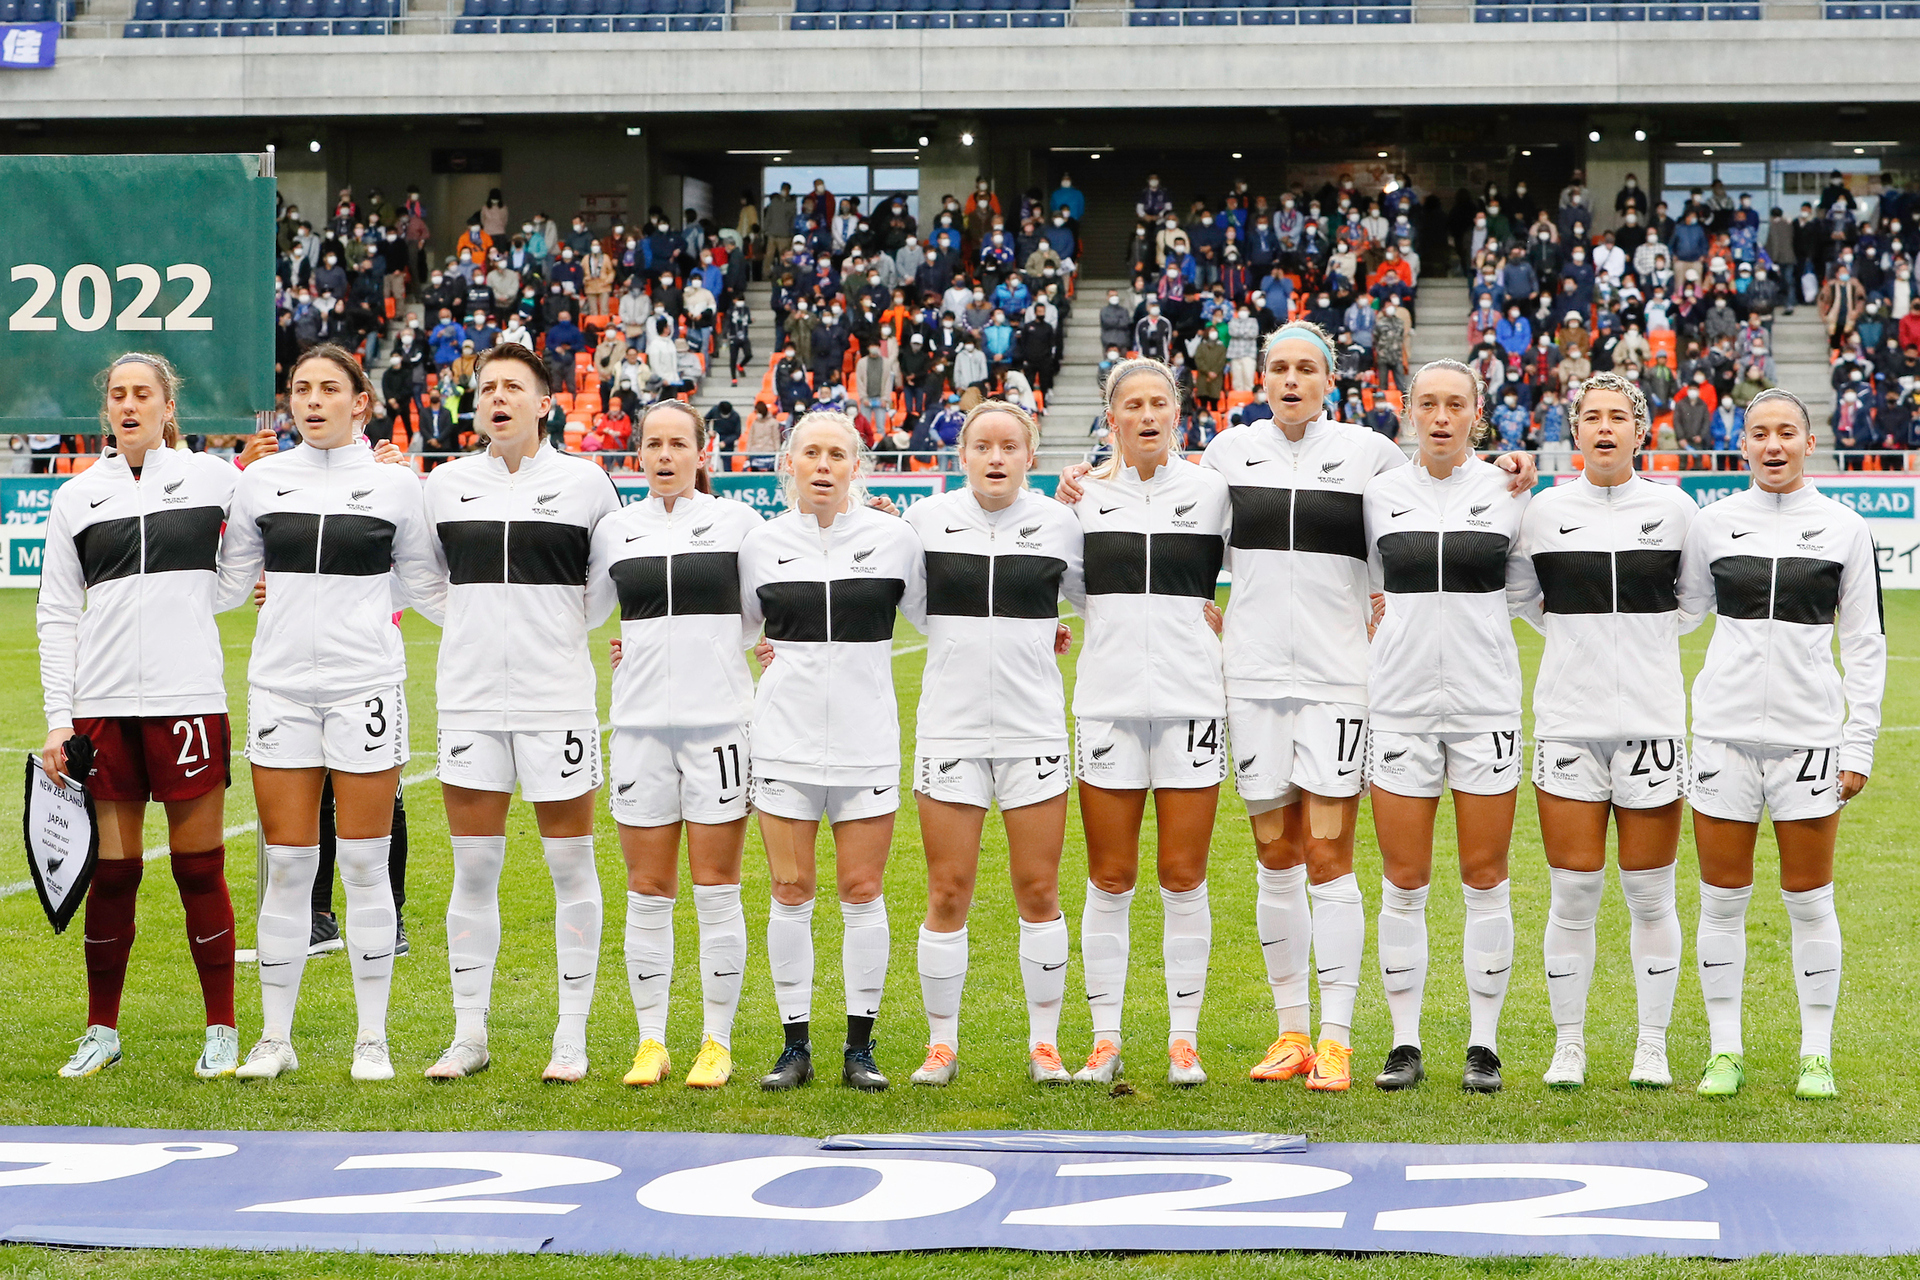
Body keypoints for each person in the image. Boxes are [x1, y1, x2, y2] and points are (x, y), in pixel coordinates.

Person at [215, 345, 445, 1082]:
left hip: (366, 688)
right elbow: (227, 588)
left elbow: (426, 591)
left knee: (364, 863)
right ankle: (274, 1039)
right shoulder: (260, 482)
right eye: (300, 390)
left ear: (361, 403)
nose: (312, 401)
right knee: (287, 867)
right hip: (279, 690)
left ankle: (369, 1040)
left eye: (328, 389)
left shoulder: (395, 488)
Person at [420, 342, 622, 1083]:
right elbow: (423, 579)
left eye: (513, 387)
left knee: (572, 866)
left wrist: (554, 628)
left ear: (545, 403)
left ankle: (571, 1036)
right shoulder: (443, 487)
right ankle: (468, 1033)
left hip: (556, 700)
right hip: (469, 701)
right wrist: (476, 624)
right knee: (473, 867)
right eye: (486, 388)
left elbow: (605, 586)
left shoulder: (585, 483)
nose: (497, 397)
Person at [38, 353, 244, 1080]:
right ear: (107, 411)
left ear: (166, 404)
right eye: (118, 396)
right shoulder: (76, 498)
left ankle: (221, 1027)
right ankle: (102, 1029)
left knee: (198, 868)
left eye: (142, 394)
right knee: (114, 874)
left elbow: (238, 575)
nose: (129, 405)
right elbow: (57, 615)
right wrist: (60, 719)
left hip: (188, 700)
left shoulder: (217, 479)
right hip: (100, 710)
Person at [1678, 389, 1884, 1100]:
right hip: (1722, 739)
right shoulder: (1712, 525)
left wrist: (1857, 745)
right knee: (1721, 900)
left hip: (1809, 741)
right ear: (1742, 446)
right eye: (1760, 433)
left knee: (1810, 899)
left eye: (1786, 433)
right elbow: (1676, 618)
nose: (1773, 445)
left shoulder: (1844, 529)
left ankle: (1815, 1054)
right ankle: (1724, 1051)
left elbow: (1864, 643)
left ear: (1807, 441)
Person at [1509, 372, 1698, 1091]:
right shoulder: (1545, 512)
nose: (1605, 428)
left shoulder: (1676, 511)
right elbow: (1526, 599)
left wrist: (1636, 647)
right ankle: (1570, 1045)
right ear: (1575, 432)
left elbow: (1691, 604)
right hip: (1567, 724)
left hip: (1652, 723)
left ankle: (1652, 1044)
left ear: (1641, 430)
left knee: (1651, 895)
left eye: (1619, 417)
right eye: (1592, 417)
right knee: (1573, 893)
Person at [738, 411, 927, 1092]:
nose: (823, 465)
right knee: (789, 891)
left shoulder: (894, 539)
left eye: (837, 455)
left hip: (867, 743)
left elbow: (944, 620)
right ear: (788, 462)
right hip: (783, 744)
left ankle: (860, 1048)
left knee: (861, 890)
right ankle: (794, 1046)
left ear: (857, 466)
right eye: (810, 453)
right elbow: (724, 628)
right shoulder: (760, 543)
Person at [899, 402, 1085, 1086]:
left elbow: (1096, 599)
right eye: (983, 446)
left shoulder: (1060, 524)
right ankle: (941, 1044)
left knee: (1038, 888)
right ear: (963, 454)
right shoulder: (926, 522)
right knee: (948, 891)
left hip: (1033, 727)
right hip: (949, 728)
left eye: (1010, 446)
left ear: (1029, 457)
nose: (996, 457)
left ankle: (1045, 1045)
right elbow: (907, 605)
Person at [1363, 359, 1531, 1094]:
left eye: (1453, 405)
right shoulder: (1377, 495)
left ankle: (1483, 1046)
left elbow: (1525, 590)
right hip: (1398, 707)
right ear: (1408, 412)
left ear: (1476, 413)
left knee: (1485, 878)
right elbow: (1358, 583)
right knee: (1404, 880)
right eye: (1426, 403)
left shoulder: (1508, 491)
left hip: (1485, 707)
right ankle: (1404, 1043)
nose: (1439, 417)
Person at [587, 401, 762, 1089]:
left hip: (719, 728)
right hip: (636, 732)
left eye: (678, 444)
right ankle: (651, 1041)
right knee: (648, 889)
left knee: (717, 889)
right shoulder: (615, 531)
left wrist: (715, 656)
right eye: (653, 444)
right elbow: (586, 609)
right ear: (638, 454)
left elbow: (758, 616)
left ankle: (715, 1042)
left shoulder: (737, 525)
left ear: (702, 453)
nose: (665, 455)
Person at [1066, 359, 1231, 1087]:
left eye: (1158, 403)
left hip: (1194, 701)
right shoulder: (1081, 501)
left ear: (1178, 414)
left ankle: (1183, 1041)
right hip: (1106, 705)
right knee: (1109, 877)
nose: (1146, 415)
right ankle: (1104, 1042)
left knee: (1183, 876)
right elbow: (1057, 588)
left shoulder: (1214, 492)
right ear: (1113, 420)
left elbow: (1267, 572)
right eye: (1131, 405)